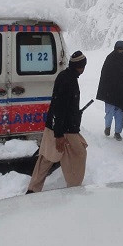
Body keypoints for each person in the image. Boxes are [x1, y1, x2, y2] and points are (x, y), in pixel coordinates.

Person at [26, 51, 88, 193]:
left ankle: (34, 189)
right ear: (79, 66)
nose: (84, 69)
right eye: (83, 66)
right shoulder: (67, 80)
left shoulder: (68, 77)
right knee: (77, 155)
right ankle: (74, 188)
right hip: (62, 129)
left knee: (48, 158)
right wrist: (59, 135)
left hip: (62, 127)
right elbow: (59, 108)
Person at [96, 40, 123, 140]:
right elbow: (104, 75)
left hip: (122, 91)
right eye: (118, 48)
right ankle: (107, 127)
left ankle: (117, 132)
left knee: (120, 113)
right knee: (109, 111)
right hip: (110, 91)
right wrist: (104, 89)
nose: (120, 50)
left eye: (121, 48)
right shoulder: (110, 58)